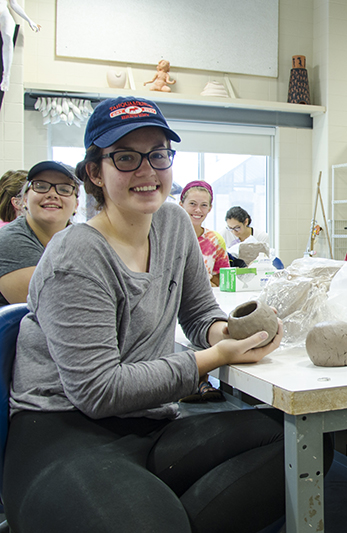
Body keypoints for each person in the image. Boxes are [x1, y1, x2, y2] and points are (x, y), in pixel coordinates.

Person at [4, 96, 289, 533]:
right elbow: (98, 390)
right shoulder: (76, 255)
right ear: (95, 173)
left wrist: (229, 334)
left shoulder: (174, 224)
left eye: (158, 154)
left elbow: (199, 313)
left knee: (294, 446)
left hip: (149, 422)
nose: (147, 171)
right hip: (62, 431)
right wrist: (214, 358)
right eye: (125, 157)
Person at [0, 162, 78, 307]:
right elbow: (51, 304)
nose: (52, 194)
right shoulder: (8, 240)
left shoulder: (83, 239)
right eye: (40, 186)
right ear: (24, 200)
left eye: (64, 189)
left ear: (76, 205)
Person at [180, 180, 230, 287]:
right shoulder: (169, 237)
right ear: (181, 205)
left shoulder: (215, 240)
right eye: (192, 204)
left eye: (204, 205)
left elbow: (222, 281)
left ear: (209, 208)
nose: (198, 210)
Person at [1, 0, 40, 92]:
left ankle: (6, 75)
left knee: (8, 36)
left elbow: (14, 4)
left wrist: (29, 20)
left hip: (3, 13)